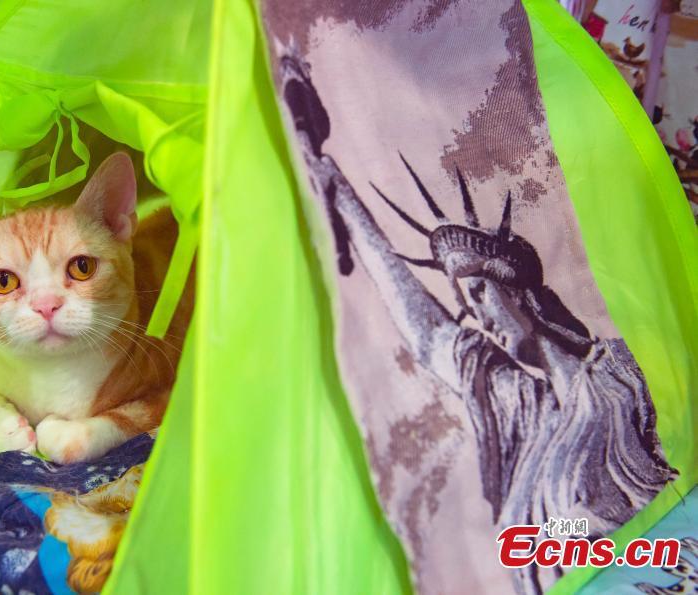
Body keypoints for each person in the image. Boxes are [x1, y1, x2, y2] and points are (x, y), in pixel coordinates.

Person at [279, 54, 676, 595]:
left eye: (480, 294)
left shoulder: (618, 371)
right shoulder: (510, 397)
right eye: (465, 299)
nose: (473, 313)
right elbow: (420, 322)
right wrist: (333, 184)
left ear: (517, 291)